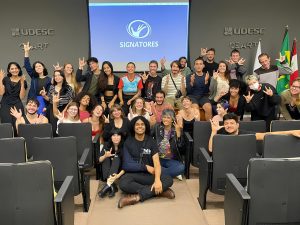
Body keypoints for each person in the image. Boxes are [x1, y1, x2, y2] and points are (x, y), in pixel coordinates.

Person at [118, 116, 174, 208]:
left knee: (168, 179)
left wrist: (157, 180)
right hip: (134, 175)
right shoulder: (128, 142)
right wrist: (146, 167)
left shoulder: (151, 141)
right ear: (133, 127)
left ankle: (137, 197)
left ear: (146, 126)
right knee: (123, 183)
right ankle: (159, 192)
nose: (140, 126)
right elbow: (127, 165)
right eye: (137, 124)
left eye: (142, 124)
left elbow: (156, 163)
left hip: (149, 176)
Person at [208, 113, 300, 152]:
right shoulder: (220, 134)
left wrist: (291, 132)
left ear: (237, 125)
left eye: (232, 123)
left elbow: (267, 135)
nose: (229, 125)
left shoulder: (245, 134)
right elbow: (211, 149)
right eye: (226, 123)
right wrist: (213, 132)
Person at [152, 109, 185, 178]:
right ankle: (166, 173)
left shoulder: (177, 129)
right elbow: (148, 137)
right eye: (164, 117)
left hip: (170, 159)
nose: (165, 119)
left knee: (181, 167)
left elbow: (182, 148)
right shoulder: (157, 127)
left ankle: (159, 174)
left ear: (172, 119)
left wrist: (178, 133)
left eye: (168, 117)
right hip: (157, 158)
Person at [40, 70, 74, 134]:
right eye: (55, 76)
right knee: (53, 128)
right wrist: (44, 96)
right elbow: (49, 99)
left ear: (63, 77)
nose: (57, 77)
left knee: (63, 128)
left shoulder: (69, 88)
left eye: (59, 75)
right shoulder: (52, 87)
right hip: (52, 108)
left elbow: (71, 100)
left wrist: (64, 110)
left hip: (65, 109)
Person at [23, 42, 52, 115]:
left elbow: (50, 94)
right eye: (36, 67)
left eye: (40, 66)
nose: (38, 67)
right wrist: (26, 52)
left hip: (44, 101)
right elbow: (27, 66)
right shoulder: (34, 76)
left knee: (42, 120)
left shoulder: (49, 79)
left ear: (43, 67)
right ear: (34, 69)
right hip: (33, 100)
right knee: (32, 120)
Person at [0, 63, 27, 133]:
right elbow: (1, 93)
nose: (14, 70)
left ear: (19, 69)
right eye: (12, 69)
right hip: (5, 105)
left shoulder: (23, 80)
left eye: (16, 68)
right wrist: (0, 79)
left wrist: (22, 83)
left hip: (17, 104)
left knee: (18, 125)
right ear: (9, 70)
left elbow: (21, 97)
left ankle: (19, 142)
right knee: (7, 126)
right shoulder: (5, 79)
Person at [98, 129, 125, 198]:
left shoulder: (125, 145)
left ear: (121, 137)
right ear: (111, 137)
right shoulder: (107, 144)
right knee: (106, 158)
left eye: (118, 135)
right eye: (113, 135)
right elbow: (99, 160)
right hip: (108, 169)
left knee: (116, 157)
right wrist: (105, 156)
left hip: (120, 170)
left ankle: (107, 186)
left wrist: (118, 175)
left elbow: (127, 165)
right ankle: (112, 185)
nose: (116, 138)